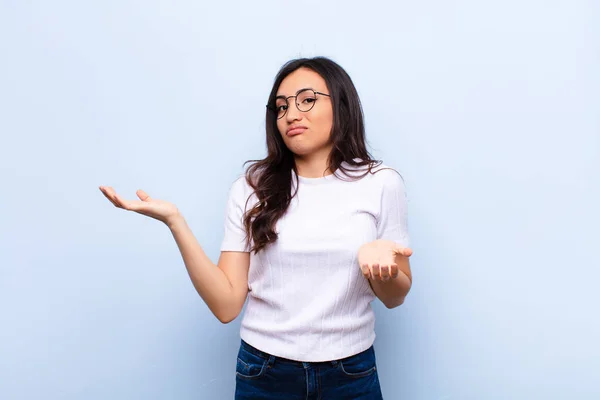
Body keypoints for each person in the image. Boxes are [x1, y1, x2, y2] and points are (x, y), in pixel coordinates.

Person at [99, 56, 413, 400]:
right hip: (265, 373)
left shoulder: (380, 183)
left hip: (351, 372)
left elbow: (396, 297)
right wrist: (175, 222)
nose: (291, 115)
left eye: (307, 100)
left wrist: (381, 269)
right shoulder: (251, 187)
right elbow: (226, 305)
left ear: (341, 104)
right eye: (280, 107)